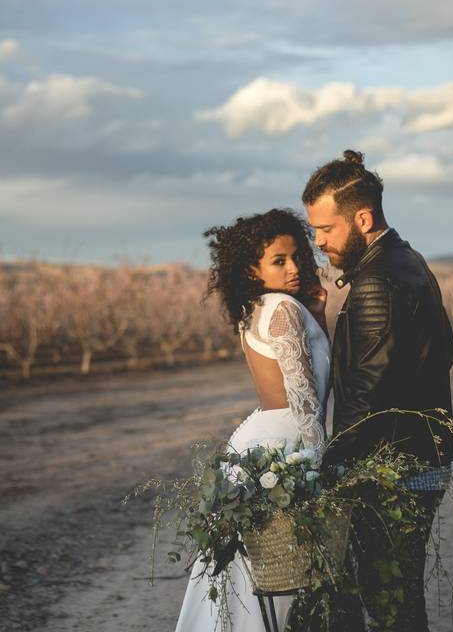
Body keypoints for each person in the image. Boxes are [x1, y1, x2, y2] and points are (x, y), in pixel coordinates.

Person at [302, 150, 453, 631]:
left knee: (390, 605)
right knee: (399, 599)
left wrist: (324, 475)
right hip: (418, 462)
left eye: (325, 229)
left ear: (362, 218)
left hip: (396, 469)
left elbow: (366, 397)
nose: (318, 242)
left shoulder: (377, 282)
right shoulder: (407, 260)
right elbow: (445, 351)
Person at [174, 208, 331, 632]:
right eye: (279, 261)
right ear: (252, 268)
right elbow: (304, 403)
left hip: (261, 443)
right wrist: (320, 466)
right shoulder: (282, 309)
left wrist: (316, 312)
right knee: (284, 586)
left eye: (297, 256)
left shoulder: (260, 306)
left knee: (250, 585)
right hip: (287, 447)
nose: (295, 267)